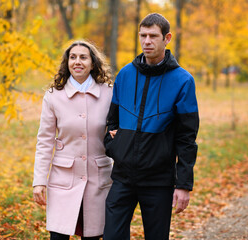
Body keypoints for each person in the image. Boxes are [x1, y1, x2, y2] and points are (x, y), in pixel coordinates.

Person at [103, 13, 199, 240]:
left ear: (167, 38)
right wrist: (113, 145)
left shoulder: (183, 80)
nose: (147, 41)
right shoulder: (125, 74)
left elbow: (187, 137)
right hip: (123, 178)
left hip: (159, 180)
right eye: (143, 35)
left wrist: (183, 184)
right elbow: (111, 121)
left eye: (153, 36)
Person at [32, 40, 113, 240]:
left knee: (93, 235)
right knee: (58, 236)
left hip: (98, 179)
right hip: (63, 179)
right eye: (73, 57)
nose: (77, 62)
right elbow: (45, 141)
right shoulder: (53, 96)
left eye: (83, 57)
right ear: (67, 62)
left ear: (93, 63)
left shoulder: (109, 93)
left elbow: (117, 134)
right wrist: (39, 181)